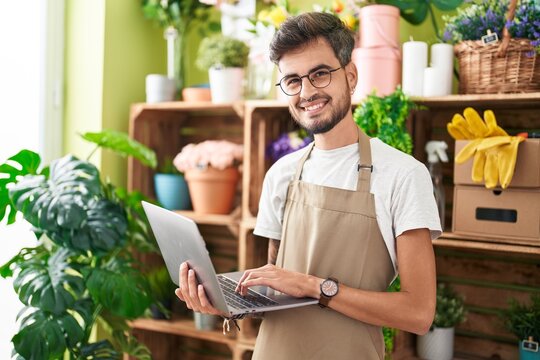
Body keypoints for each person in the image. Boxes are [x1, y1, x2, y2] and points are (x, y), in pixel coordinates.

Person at [176, 11, 441, 359]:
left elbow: (418, 314)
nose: (307, 92)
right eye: (293, 80)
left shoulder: (403, 175)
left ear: (350, 76)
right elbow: (274, 295)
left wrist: (315, 286)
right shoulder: (282, 174)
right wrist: (224, 301)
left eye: (319, 74)